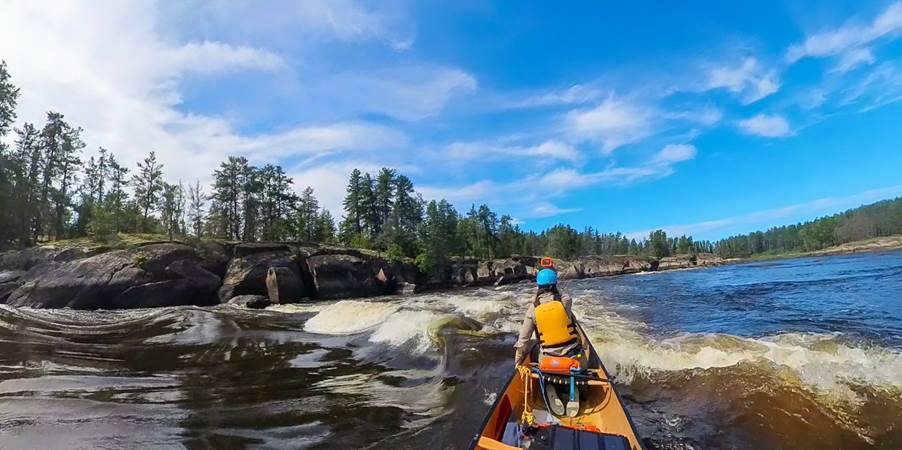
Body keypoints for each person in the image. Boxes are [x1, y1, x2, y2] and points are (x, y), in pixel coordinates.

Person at [514, 268, 585, 416]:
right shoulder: (565, 300)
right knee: (579, 355)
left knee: (539, 357)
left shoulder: (533, 309)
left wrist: (518, 360)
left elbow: (523, 340)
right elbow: (564, 299)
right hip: (573, 359)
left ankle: (549, 388)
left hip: (549, 362)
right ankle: (571, 390)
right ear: (554, 285)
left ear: (538, 286)